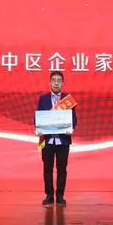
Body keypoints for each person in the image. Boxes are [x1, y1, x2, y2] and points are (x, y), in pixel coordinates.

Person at [36, 71, 78, 206]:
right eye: (53, 80)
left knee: (62, 169)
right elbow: (39, 117)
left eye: (59, 81)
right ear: (49, 83)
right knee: (47, 169)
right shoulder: (43, 99)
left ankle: (60, 196)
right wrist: (38, 127)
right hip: (47, 140)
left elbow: (73, 119)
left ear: (63, 83)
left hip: (63, 140)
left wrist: (71, 128)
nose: (56, 83)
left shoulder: (68, 100)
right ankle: (49, 195)